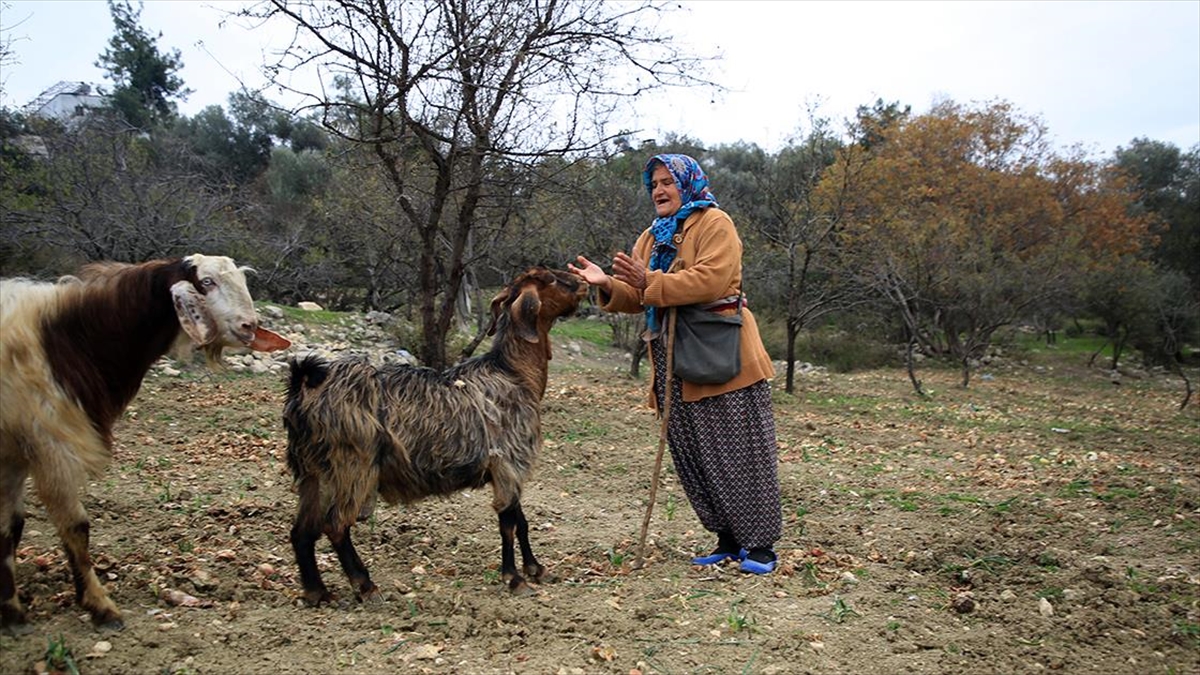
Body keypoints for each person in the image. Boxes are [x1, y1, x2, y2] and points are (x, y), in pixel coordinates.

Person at [569, 153, 782, 574]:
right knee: (694, 454)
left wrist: (649, 281)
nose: (660, 191)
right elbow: (638, 296)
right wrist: (608, 284)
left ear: (687, 183)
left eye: (668, 181)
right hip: (671, 361)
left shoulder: (714, 223)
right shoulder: (651, 237)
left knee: (737, 453)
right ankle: (726, 539)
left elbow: (712, 280)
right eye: (654, 184)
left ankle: (759, 547)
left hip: (723, 357)